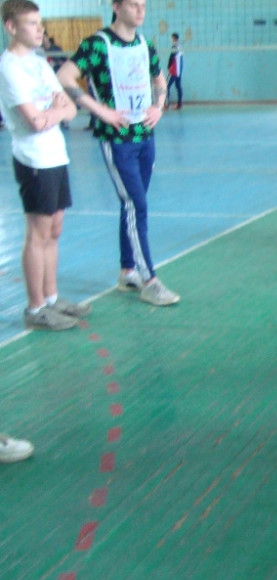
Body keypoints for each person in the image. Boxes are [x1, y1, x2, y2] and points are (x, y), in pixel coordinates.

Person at [56, 0, 180, 306]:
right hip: (117, 139)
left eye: (143, 5)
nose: (141, 11)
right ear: (116, 6)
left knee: (133, 205)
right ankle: (149, 281)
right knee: (136, 205)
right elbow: (64, 77)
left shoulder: (145, 44)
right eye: (134, 5)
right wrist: (99, 111)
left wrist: (159, 105)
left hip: (145, 137)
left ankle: (127, 271)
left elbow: (159, 79)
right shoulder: (97, 45)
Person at [1, 0, 89, 331]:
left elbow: (71, 109)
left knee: (54, 230)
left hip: (56, 155)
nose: (40, 30)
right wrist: (56, 112)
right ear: (11, 27)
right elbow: (35, 122)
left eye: (41, 23)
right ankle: (35, 307)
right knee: (37, 234)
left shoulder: (40, 63)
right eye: (32, 24)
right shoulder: (9, 68)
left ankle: (52, 298)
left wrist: (55, 112)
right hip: (34, 160)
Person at [165, 31, 182, 110]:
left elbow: (171, 57)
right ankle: (179, 104)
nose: (171, 39)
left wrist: (168, 66)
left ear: (173, 38)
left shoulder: (174, 47)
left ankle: (166, 105)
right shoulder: (180, 47)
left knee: (165, 86)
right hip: (179, 71)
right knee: (178, 87)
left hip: (174, 71)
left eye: (171, 38)